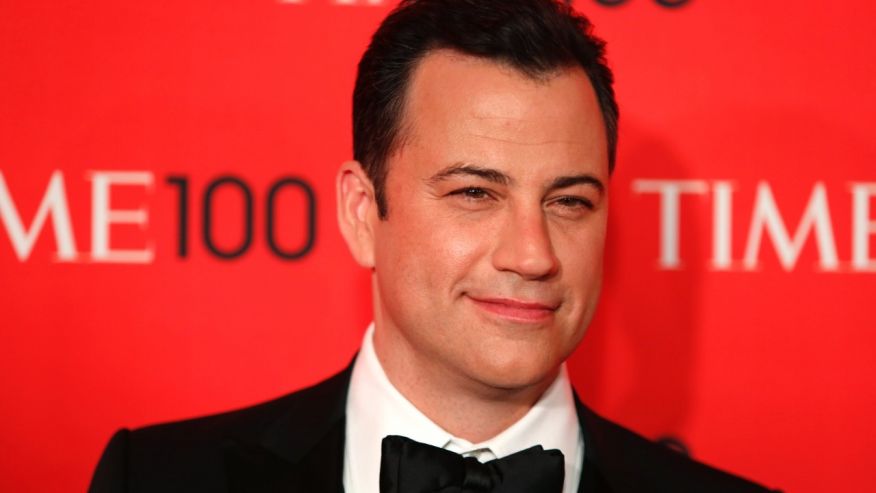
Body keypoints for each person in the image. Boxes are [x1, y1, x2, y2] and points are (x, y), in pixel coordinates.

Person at [89, 0, 778, 491]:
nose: (533, 253)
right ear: (362, 212)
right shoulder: (158, 477)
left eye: (568, 201)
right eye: (475, 193)